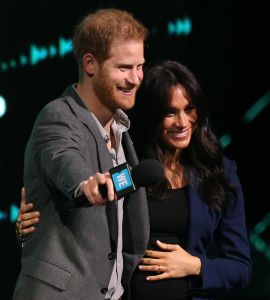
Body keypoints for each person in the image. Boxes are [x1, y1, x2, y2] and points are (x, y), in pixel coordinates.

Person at [16, 60, 252, 300]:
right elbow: (83, 208)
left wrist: (195, 266)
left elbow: (240, 267)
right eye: (170, 112)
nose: (182, 122)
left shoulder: (219, 172)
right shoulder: (129, 165)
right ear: (152, 115)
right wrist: (33, 223)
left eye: (189, 109)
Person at [13, 8, 150, 300]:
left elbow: (121, 199)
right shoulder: (58, 116)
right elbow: (64, 159)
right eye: (124, 67)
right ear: (90, 64)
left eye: (140, 66)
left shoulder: (121, 129)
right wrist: (85, 185)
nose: (136, 78)